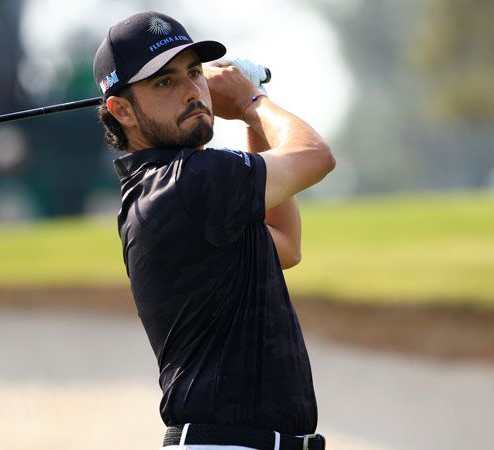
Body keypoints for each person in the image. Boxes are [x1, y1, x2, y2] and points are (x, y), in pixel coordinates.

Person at [93, 11, 335, 450]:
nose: (191, 91)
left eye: (193, 73)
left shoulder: (169, 190)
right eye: (165, 82)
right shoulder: (186, 184)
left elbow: (284, 242)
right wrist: (250, 103)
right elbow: (314, 154)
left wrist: (249, 122)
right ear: (122, 109)